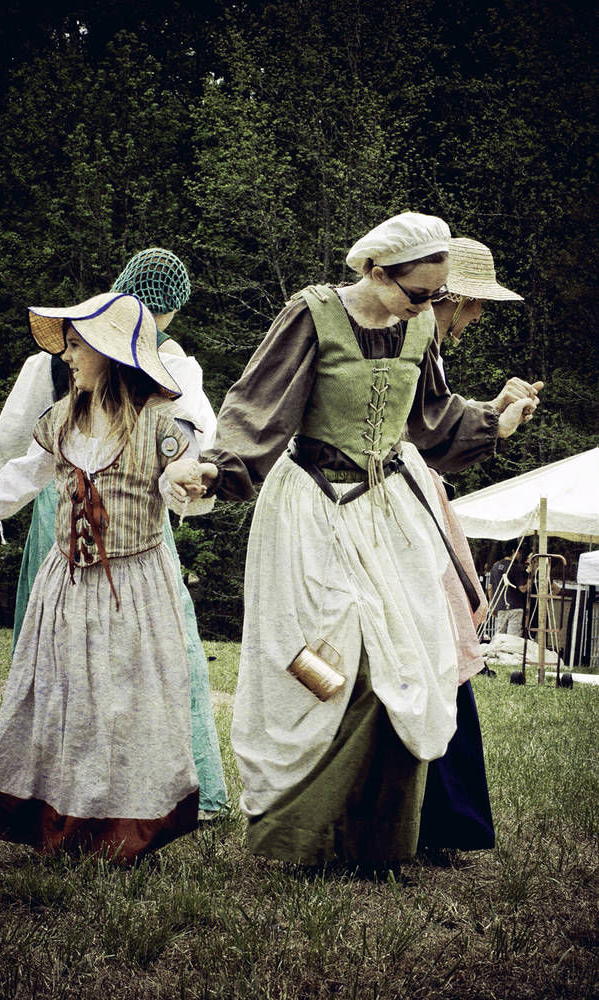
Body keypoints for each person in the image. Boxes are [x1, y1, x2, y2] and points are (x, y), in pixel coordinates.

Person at [169, 212, 540, 876]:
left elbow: (431, 421)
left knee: (406, 667)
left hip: (384, 514)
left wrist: (495, 422)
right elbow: (258, 408)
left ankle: (375, 845)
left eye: (432, 296)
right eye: (414, 292)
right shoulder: (313, 314)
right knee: (326, 670)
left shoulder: (418, 327)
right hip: (310, 509)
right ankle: (297, 838)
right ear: (375, 270)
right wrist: (218, 469)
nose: (424, 308)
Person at [0, 292, 211, 861]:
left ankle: (124, 827)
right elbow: (24, 475)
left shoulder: (161, 425)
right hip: (67, 586)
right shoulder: (61, 421)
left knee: (126, 704)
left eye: (78, 345)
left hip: (134, 587)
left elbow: (181, 482)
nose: (68, 356)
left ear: (112, 354)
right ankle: (60, 820)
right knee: (68, 700)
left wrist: (184, 482)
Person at [417, 237, 536, 857]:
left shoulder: (426, 348)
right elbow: (429, 435)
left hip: (418, 503)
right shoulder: (412, 342)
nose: (478, 319)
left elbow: (435, 425)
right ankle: (436, 816)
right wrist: (498, 419)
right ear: (453, 297)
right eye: (475, 306)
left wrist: (495, 411)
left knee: (440, 649)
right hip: (402, 510)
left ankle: (447, 816)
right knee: (432, 650)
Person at [489, 541, 528, 636]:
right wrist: (531, 577)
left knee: (499, 637)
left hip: (500, 607)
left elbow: (490, 588)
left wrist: (492, 604)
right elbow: (523, 589)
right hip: (515, 606)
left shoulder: (495, 566)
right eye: (519, 552)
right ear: (513, 551)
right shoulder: (515, 567)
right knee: (512, 639)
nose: (520, 555)